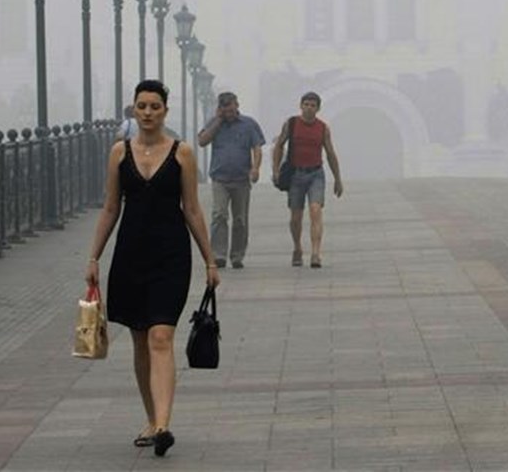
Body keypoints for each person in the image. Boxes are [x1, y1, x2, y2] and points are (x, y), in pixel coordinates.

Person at [86, 79, 219, 459]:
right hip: (129, 256)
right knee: (141, 341)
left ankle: (163, 425)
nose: (147, 113)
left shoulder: (182, 154)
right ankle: (150, 417)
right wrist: (94, 258)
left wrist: (210, 260)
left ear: (165, 110)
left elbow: (192, 209)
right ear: (134, 109)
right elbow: (111, 208)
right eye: (142, 106)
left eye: (154, 107)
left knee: (161, 335)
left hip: (171, 257)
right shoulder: (118, 153)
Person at [271, 91, 343, 268]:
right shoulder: (291, 124)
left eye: (313, 105)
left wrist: (338, 179)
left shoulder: (323, 128)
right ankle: (297, 248)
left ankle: (316, 253)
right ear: (301, 106)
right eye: (306, 104)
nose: (309, 108)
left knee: (315, 210)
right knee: (296, 217)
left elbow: (331, 153)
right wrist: (275, 170)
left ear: (318, 108)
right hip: (296, 175)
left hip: (315, 174)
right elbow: (279, 146)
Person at [197, 91, 265, 270]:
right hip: (220, 178)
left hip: (241, 179)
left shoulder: (249, 124)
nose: (228, 111)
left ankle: (237, 255)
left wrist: (256, 168)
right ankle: (218, 254)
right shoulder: (214, 123)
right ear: (220, 108)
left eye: (230, 106)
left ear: (237, 105)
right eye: (224, 107)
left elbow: (257, 147)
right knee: (219, 215)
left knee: (240, 219)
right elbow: (202, 141)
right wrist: (217, 121)